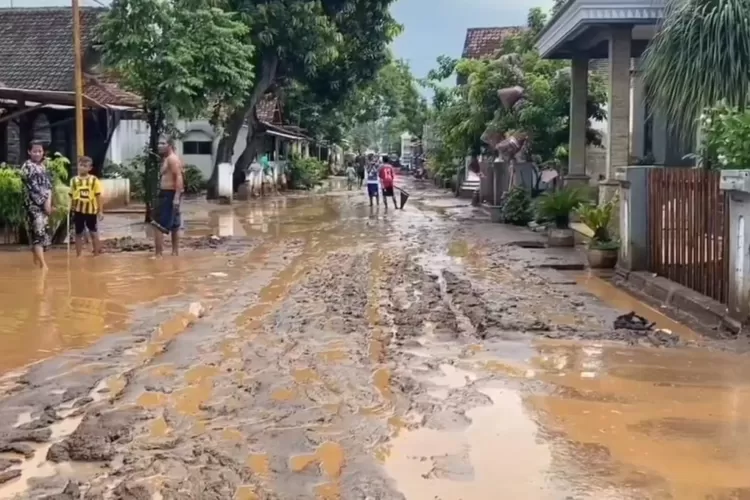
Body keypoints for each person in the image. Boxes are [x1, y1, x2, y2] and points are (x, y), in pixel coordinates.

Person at [20, 141, 53, 270]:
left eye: (40, 151)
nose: (38, 153)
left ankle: (38, 260)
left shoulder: (43, 167)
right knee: (38, 234)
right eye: (35, 151)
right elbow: (34, 188)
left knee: (42, 233)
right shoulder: (28, 166)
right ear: (29, 152)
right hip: (33, 206)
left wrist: (49, 202)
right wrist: (45, 202)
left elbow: (48, 186)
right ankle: (43, 265)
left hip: (44, 205)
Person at [150, 136, 184, 257]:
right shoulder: (167, 158)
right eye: (159, 143)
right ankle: (175, 253)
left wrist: (176, 197)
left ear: (169, 145)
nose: (159, 145)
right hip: (168, 194)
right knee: (175, 224)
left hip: (169, 194)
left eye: (163, 143)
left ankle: (158, 254)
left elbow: (179, 177)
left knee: (156, 224)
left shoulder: (172, 159)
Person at [69, 156, 103, 256]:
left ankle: (96, 254)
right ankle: (78, 255)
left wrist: (100, 211)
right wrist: (69, 207)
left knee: (93, 232)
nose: (82, 168)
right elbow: (71, 195)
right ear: (78, 166)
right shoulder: (73, 181)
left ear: (89, 168)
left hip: (91, 211)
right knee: (78, 233)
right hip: (78, 210)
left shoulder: (94, 180)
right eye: (81, 165)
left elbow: (98, 196)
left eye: (85, 166)